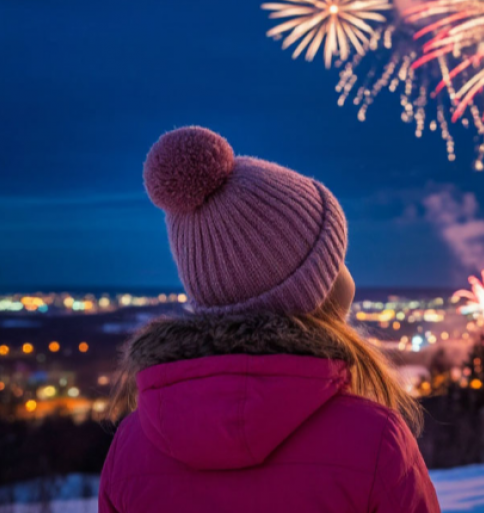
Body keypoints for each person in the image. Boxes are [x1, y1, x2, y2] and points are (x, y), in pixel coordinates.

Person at [99, 126, 440, 513]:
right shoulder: (375, 441)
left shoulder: (129, 450)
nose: (347, 278)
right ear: (312, 294)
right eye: (334, 263)